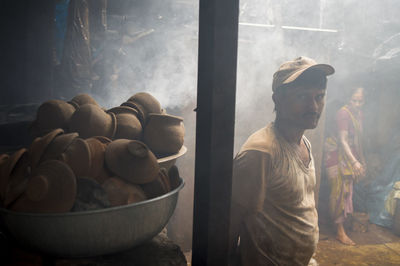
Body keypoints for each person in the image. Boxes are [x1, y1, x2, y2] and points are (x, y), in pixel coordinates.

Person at [229, 56, 335, 265]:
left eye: (319, 96)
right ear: (277, 98)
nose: (314, 106)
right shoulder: (261, 151)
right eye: (302, 97)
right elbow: (230, 223)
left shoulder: (304, 142)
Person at [324, 87, 366, 245]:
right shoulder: (343, 114)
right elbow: (342, 140)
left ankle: (341, 225)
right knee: (339, 190)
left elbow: (358, 140)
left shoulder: (360, 115)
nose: (357, 104)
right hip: (335, 153)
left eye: (360, 101)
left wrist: (362, 160)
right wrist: (355, 162)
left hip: (349, 153)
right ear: (349, 99)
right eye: (354, 100)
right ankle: (340, 232)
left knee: (348, 191)